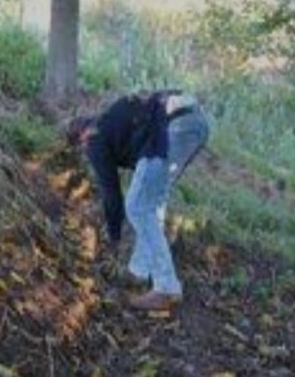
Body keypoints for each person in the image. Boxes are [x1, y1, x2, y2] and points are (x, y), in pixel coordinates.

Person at [66, 90, 209, 311]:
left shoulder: (95, 139)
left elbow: (111, 193)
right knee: (151, 205)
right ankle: (139, 270)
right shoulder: (113, 122)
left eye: (81, 148)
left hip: (175, 127)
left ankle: (166, 287)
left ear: (81, 138)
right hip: (194, 122)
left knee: (137, 207)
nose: (86, 153)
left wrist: (114, 238)